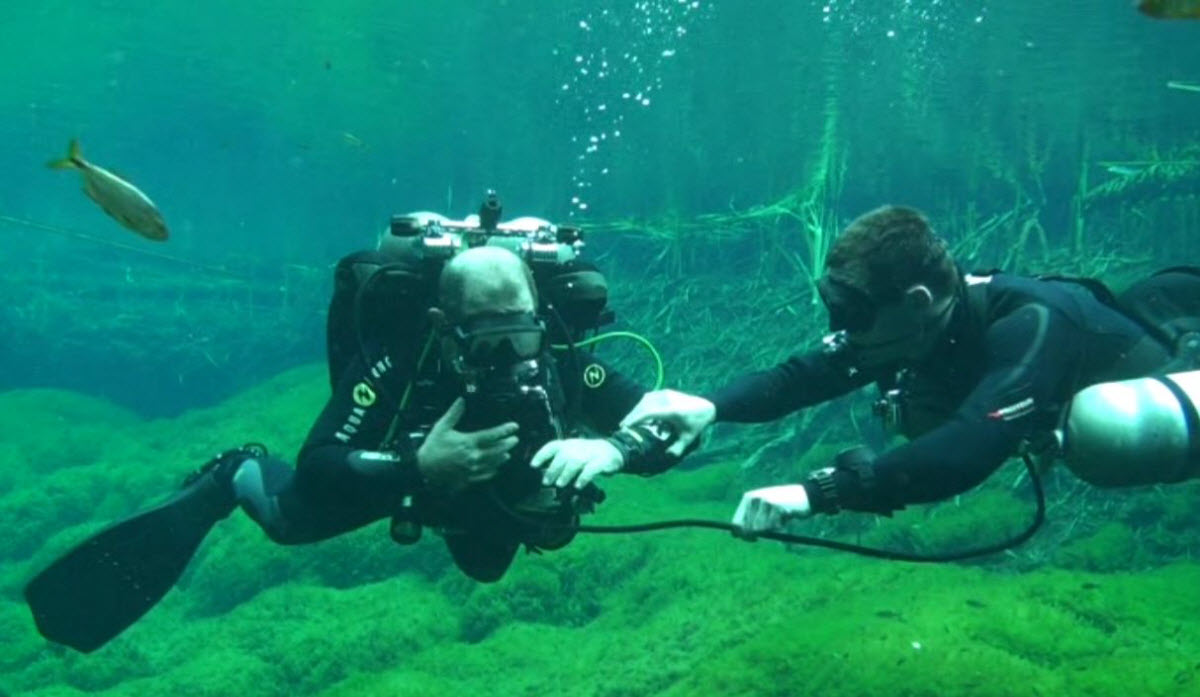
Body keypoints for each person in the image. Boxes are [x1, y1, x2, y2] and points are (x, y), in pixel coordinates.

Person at [25, 210, 683, 653]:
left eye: (523, 332)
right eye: (487, 340)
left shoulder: (563, 358)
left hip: (479, 503)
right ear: (441, 325)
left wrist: (612, 447)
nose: (512, 356)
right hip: (411, 476)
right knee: (287, 519)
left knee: (485, 567)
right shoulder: (403, 358)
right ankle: (236, 471)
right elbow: (320, 461)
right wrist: (416, 467)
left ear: (541, 315)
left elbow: (669, 429)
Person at [621, 204, 1200, 535]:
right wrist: (712, 405)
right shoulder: (906, 326)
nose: (842, 329)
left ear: (918, 300)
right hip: (1140, 318)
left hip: (1171, 362)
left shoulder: (1030, 322)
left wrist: (817, 492)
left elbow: (975, 443)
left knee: (1104, 424)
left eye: (853, 314)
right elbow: (799, 378)